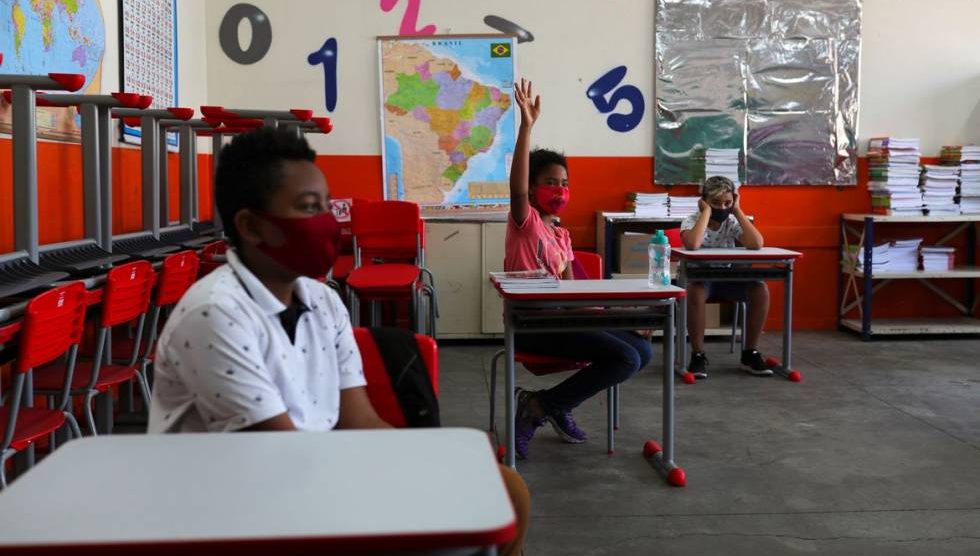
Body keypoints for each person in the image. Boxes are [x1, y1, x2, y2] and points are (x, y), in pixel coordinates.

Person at [147, 127, 528, 555]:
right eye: (310, 208)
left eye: (327, 206)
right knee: (465, 531)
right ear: (252, 226)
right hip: (240, 511)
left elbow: (359, 421)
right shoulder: (215, 316)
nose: (327, 222)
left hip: (311, 478)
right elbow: (284, 457)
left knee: (505, 490)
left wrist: (434, 458)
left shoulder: (321, 300)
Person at [505, 79, 653, 459]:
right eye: (549, 183)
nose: (559, 189)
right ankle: (538, 408)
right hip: (533, 324)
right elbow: (516, 190)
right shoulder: (525, 222)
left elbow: (577, 296)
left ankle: (553, 403)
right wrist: (526, 127)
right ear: (533, 188)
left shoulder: (562, 235)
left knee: (641, 349)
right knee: (625, 358)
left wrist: (624, 319)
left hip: (564, 320)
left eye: (564, 183)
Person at [680, 175, 772, 379]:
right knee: (695, 292)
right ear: (704, 201)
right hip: (700, 279)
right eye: (715, 203)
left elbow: (757, 243)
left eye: (727, 203)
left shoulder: (732, 222)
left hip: (728, 277)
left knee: (760, 289)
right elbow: (693, 244)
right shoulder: (692, 220)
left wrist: (737, 210)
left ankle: (750, 353)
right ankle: (698, 355)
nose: (722, 208)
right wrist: (706, 213)